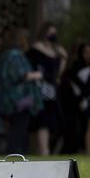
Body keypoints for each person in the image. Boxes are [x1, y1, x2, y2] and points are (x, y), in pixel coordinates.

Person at [0, 27, 43, 154]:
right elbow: (21, 75)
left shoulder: (4, 55)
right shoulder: (15, 56)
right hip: (19, 100)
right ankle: (15, 156)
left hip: (8, 99)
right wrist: (37, 75)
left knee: (14, 130)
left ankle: (13, 155)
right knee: (19, 132)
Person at [27, 22, 68, 155]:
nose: (52, 35)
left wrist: (64, 57)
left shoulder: (55, 50)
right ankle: (44, 150)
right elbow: (32, 69)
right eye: (50, 32)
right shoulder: (36, 49)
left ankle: (45, 150)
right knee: (41, 121)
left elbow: (58, 73)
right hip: (40, 90)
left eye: (54, 33)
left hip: (52, 91)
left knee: (50, 122)